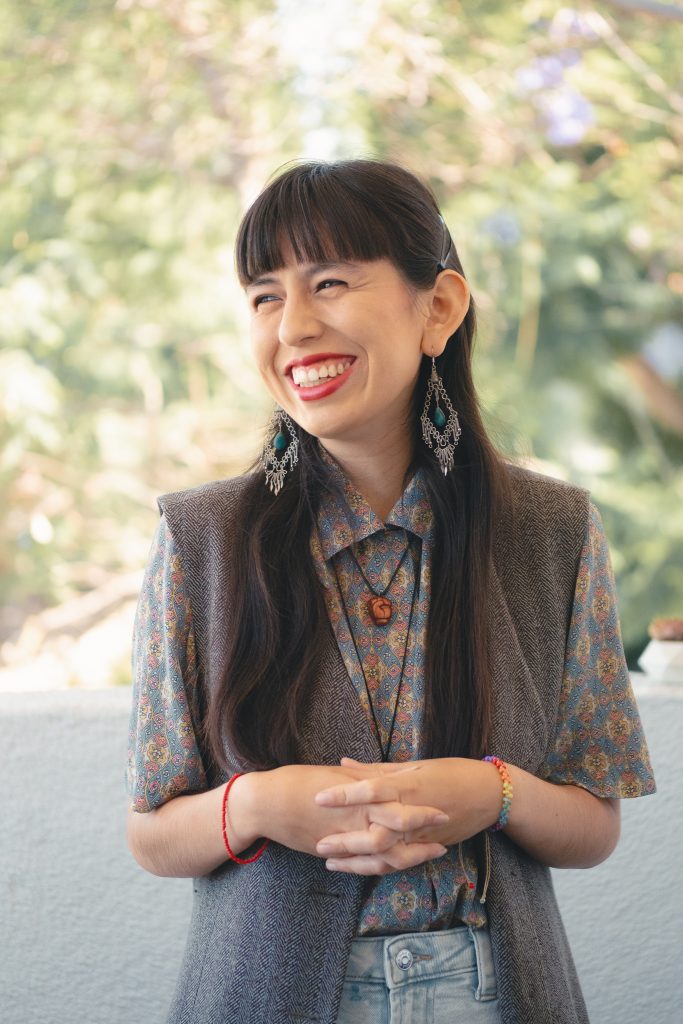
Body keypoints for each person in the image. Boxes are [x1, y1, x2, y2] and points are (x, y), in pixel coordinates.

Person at [126, 160, 655, 1024]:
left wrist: (495, 792)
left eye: (330, 282)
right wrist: (256, 804)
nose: (293, 326)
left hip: (498, 995)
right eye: (264, 296)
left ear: (438, 307)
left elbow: (593, 823)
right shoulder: (199, 539)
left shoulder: (553, 531)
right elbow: (151, 833)